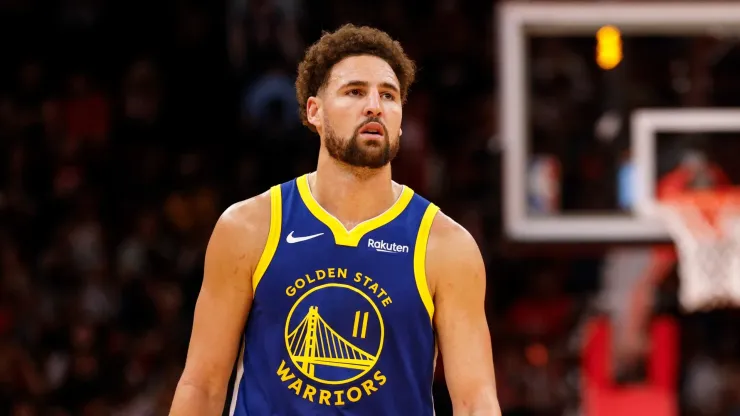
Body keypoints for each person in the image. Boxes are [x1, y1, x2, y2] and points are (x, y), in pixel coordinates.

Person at [169, 24, 500, 416]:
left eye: (389, 96)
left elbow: (475, 401)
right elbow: (202, 386)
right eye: (355, 91)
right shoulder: (249, 227)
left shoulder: (444, 244)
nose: (375, 105)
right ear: (315, 112)